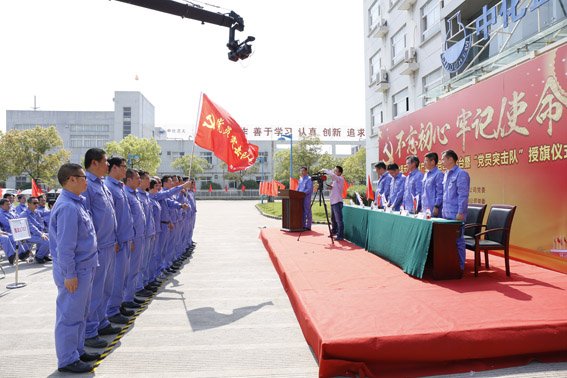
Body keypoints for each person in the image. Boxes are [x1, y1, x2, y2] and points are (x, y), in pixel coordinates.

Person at [50, 163, 100, 373]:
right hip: (75, 271)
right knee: (70, 317)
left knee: (80, 314)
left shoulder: (76, 203)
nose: (86, 180)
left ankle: (77, 351)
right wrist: (69, 274)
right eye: (83, 177)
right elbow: (65, 246)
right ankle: (68, 359)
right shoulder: (68, 207)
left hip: (84, 268)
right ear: (72, 179)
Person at [82, 148, 121, 350]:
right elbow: (87, 220)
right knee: (95, 291)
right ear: (94, 163)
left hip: (108, 243)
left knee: (106, 288)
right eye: (105, 162)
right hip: (97, 248)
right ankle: (89, 331)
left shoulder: (101, 185)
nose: (108, 165)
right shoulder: (86, 185)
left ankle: (102, 321)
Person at [104, 156, 135, 325]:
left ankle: (119, 304)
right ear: (114, 167)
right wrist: (115, 239)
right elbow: (110, 217)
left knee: (124, 276)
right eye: (123, 166)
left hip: (125, 238)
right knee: (116, 279)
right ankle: (112, 310)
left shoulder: (119, 187)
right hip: (116, 242)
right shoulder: (109, 187)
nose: (125, 169)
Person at [441, 149, 470, 271]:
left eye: (443, 159)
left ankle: (460, 266)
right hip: (445, 212)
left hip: (455, 213)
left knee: (458, 240)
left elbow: (463, 195)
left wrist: (460, 212)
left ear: (450, 159)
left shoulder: (461, 174)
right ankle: (450, 264)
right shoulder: (446, 174)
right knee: (447, 240)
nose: (441, 162)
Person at [21, 196, 51, 264]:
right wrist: (41, 234)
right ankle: (39, 257)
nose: (36, 204)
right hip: (29, 235)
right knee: (46, 241)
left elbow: (46, 213)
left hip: (37, 234)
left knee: (52, 237)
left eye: (37, 202)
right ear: (28, 204)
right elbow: (31, 227)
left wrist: (56, 208)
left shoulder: (36, 212)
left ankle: (45, 255)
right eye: (34, 203)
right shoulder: (24, 214)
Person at [320, 166, 345, 241]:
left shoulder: (340, 178)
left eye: (336, 171)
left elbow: (333, 175)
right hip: (333, 202)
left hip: (337, 202)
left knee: (339, 220)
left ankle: (340, 235)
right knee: (333, 219)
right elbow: (335, 190)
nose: (334, 172)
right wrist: (331, 188)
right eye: (334, 171)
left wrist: (325, 170)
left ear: (339, 173)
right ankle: (334, 231)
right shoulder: (335, 181)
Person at [421, 152, 444, 217]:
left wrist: (436, 206)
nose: (424, 163)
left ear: (433, 162)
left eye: (426, 160)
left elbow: (440, 192)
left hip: (433, 209)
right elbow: (423, 193)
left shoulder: (438, 174)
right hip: (425, 209)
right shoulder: (426, 174)